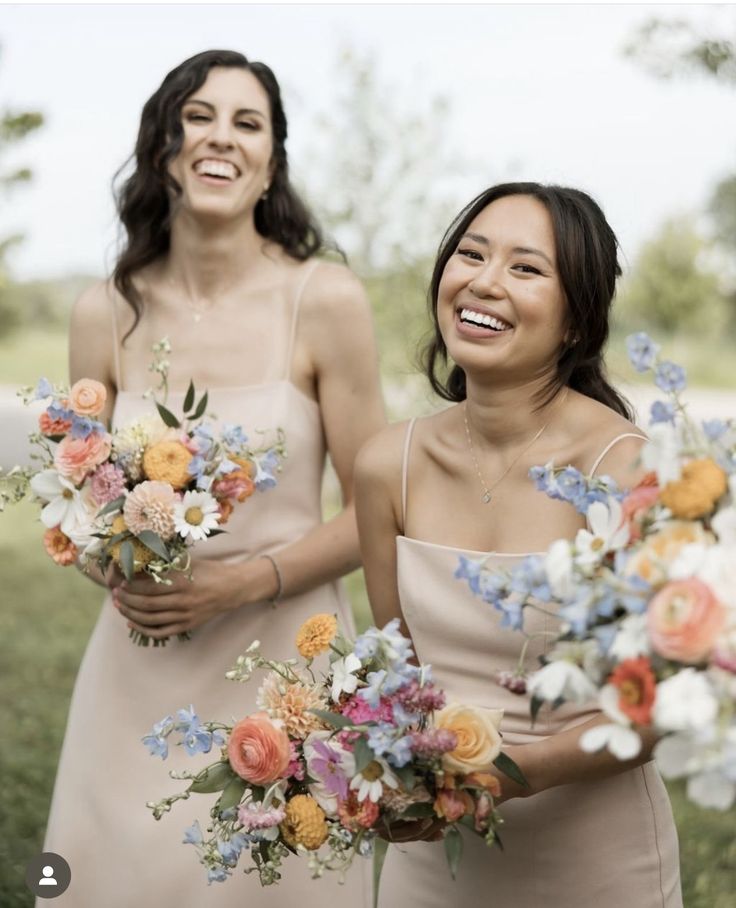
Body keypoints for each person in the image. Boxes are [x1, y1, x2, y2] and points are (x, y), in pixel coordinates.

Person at [40, 50, 384, 907]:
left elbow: (379, 507)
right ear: (164, 146)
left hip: (283, 672)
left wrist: (239, 583)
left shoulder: (324, 300)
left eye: (247, 122)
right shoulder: (105, 311)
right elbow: (82, 497)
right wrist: (105, 552)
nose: (220, 137)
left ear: (272, 161)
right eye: (199, 116)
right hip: (140, 664)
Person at [355, 183, 682, 907]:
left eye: (526, 268)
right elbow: (395, 672)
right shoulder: (387, 466)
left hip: (595, 861)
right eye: (470, 254)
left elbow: (661, 708)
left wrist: (509, 773)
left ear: (576, 320)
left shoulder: (629, 471)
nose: (484, 281)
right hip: (431, 865)